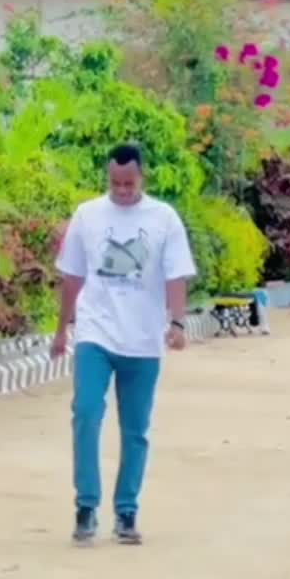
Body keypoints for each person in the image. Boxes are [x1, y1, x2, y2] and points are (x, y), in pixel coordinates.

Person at [51, 143, 196, 545]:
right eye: (115, 183)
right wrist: (62, 330)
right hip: (95, 334)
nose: (122, 190)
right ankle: (86, 505)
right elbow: (72, 277)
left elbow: (176, 275)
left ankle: (126, 511)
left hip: (143, 340)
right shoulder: (88, 215)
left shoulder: (163, 218)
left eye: (129, 183)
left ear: (141, 177)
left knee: (135, 429)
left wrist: (178, 322)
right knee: (85, 413)